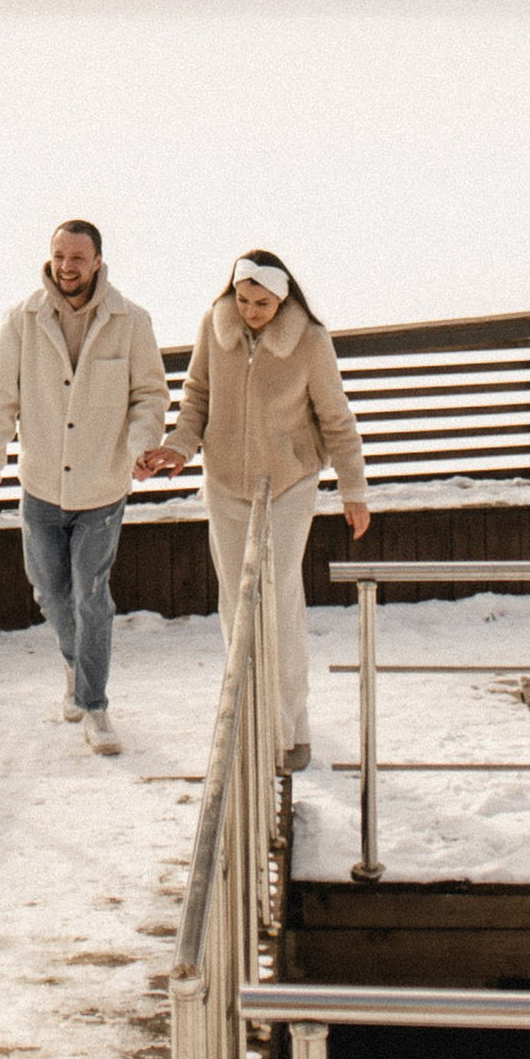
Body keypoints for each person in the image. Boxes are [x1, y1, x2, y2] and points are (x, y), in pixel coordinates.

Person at [140, 250, 368, 769]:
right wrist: (179, 447)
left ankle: (289, 726)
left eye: (261, 303)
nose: (249, 310)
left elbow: (336, 419)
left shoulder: (310, 341)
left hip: (288, 483)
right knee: (237, 603)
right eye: (242, 299)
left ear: (282, 298)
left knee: (278, 599)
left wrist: (353, 491)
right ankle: (250, 717)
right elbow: (197, 397)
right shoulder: (214, 325)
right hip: (225, 483)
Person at [0, 217, 168, 759]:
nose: (66, 267)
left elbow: (150, 396)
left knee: (91, 596)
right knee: (49, 592)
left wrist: (141, 446)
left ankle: (95, 705)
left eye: (78, 258)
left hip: (102, 487)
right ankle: (75, 665)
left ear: (97, 261)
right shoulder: (22, 319)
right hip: (40, 484)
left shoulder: (132, 322)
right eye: (60, 256)